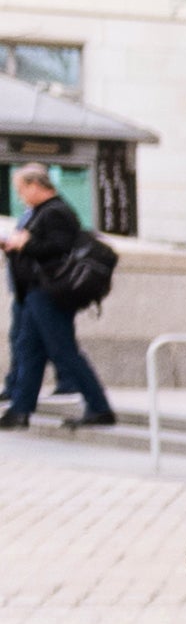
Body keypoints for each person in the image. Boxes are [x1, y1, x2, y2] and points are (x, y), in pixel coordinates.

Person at [2, 160, 119, 430]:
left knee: (63, 351)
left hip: (50, 293)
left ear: (35, 186)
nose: (20, 196)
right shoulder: (43, 212)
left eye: (21, 189)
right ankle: (19, 411)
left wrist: (25, 243)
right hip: (35, 293)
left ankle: (100, 407)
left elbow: (59, 247)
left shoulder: (56, 211)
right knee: (28, 349)